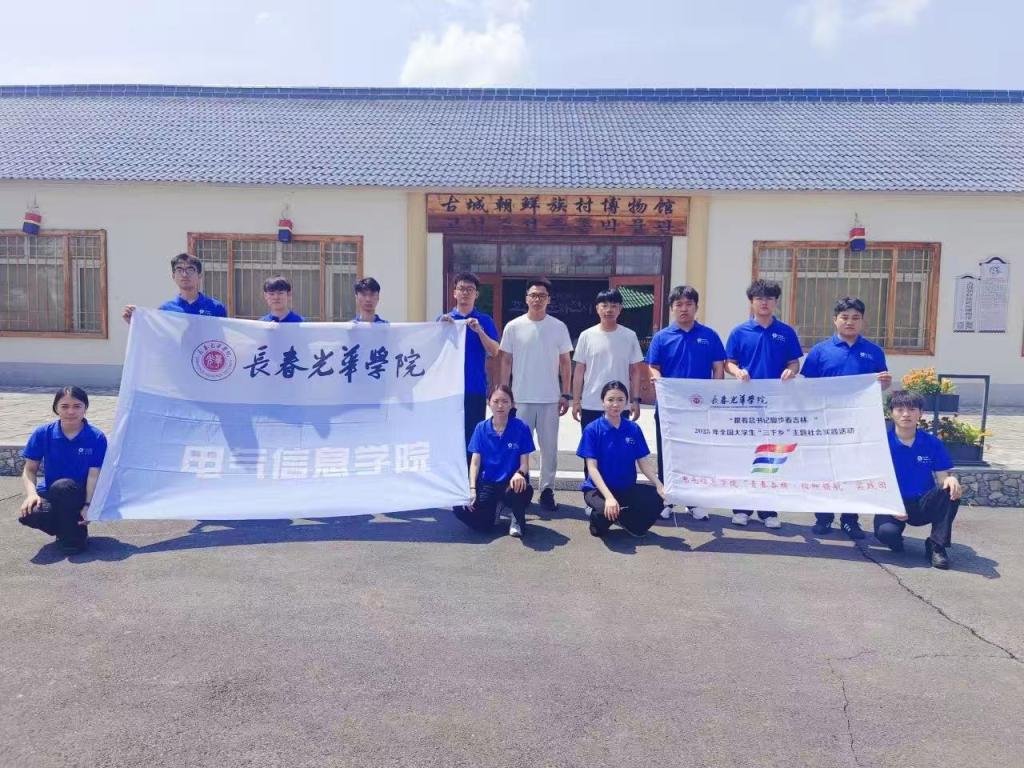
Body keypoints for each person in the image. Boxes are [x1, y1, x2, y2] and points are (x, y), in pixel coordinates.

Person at [802, 296, 893, 539]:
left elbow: (878, 386)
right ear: (835, 320)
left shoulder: (873, 351)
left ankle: (850, 520)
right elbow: (808, 387)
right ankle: (823, 518)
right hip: (826, 422)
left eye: (855, 318)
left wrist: (884, 383)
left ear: (863, 321)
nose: (850, 322)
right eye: (844, 317)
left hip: (858, 424)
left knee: (853, 471)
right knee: (826, 470)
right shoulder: (820, 351)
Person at [725, 278, 803, 529]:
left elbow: (794, 362)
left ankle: (768, 509)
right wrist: (737, 372)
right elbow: (728, 362)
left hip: (776, 404)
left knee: (771, 455)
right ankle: (742, 508)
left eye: (769, 298)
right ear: (751, 302)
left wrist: (791, 371)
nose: (764, 303)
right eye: (759, 298)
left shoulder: (786, 332)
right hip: (747, 405)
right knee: (745, 454)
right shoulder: (739, 332)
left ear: (776, 302)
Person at [646, 285, 726, 520]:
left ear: (696, 307)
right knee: (667, 453)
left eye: (689, 304)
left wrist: (715, 395)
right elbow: (653, 366)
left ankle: (694, 500)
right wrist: (659, 382)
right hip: (669, 409)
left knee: (696, 454)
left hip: (699, 409)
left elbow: (718, 368)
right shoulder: (662, 337)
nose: (684, 309)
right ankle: (667, 498)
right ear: (671, 308)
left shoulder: (709, 336)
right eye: (679, 304)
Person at [499, 277, 572, 513]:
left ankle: (547, 490)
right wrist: (504, 394)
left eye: (542, 296)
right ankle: (521, 488)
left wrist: (566, 393)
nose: (537, 299)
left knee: (549, 448)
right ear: (526, 298)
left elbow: (565, 362)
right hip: (520, 398)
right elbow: (506, 361)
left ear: (548, 299)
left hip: (550, 398)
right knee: (519, 447)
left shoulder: (558, 327)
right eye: (533, 295)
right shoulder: (514, 326)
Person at [875, 390, 962, 569]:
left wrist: (951, 480)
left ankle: (936, 546)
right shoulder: (881, 444)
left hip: (923, 502)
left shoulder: (932, 443)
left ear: (920, 413)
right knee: (886, 533)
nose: (906, 414)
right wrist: (890, 506)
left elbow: (942, 477)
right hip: (893, 502)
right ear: (891, 413)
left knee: (949, 490)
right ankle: (895, 539)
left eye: (912, 409)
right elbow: (874, 481)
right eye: (900, 409)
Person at [18, 386, 107, 554]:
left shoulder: (96, 437)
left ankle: (74, 531)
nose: (70, 411)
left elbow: (94, 475)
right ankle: (67, 528)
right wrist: (31, 494)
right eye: (64, 406)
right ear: (56, 408)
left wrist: (88, 505)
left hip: (79, 495)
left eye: (77, 406)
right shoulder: (43, 433)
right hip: (52, 492)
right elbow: (29, 469)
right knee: (30, 513)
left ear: (85, 408)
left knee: (64, 487)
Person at [577, 380, 665, 538]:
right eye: (610, 400)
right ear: (603, 402)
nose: (615, 404)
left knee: (658, 498)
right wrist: (609, 497)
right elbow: (592, 468)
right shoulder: (592, 430)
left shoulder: (633, 429)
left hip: (625, 488)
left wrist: (659, 485)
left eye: (620, 400)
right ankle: (598, 514)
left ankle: (626, 521)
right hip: (598, 490)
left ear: (626, 402)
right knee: (600, 527)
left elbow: (643, 463)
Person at [571, 288, 644, 458]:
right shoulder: (586, 336)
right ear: (597, 308)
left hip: (620, 404)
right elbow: (579, 371)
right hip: (591, 403)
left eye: (614, 306)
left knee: (618, 451)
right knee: (591, 452)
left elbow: (635, 371)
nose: (609, 310)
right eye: (604, 305)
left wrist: (635, 400)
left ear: (620, 309)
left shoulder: (629, 336)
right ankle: (591, 477)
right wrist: (575, 401)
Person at [454, 385, 535, 539]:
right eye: (496, 401)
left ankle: (517, 518)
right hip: (489, 483)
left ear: (512, 404)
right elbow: (475, 463)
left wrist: (519, 473)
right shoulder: (481, 428)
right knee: (463, 510)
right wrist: (472, 489)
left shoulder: (521, 427)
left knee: (521, 488)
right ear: (489, 403)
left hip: (511, 484)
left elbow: (524, 464)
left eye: (505, 401)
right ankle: (494, 510)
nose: (500, 406)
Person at [438, 273, 500, 460]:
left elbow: (495, 351)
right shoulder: (444, 320)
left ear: (476, 295)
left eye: (470, 290)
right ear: (454, 293)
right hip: (448, 390)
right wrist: (441, 330)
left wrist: (479, 331)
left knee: (473, 437)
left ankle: (472, 475)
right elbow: (433, 353)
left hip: (474, 387)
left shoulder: (484, 321)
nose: (465, 293)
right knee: (448, 435)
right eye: (461, 289)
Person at [122, 253, 227, 322]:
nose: (184, 274)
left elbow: (223, 341)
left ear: (199, 275)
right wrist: (134, 321)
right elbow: (155, 338)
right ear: (173, 276)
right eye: (179, 270)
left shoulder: (216, 308)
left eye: (190, 270)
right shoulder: (166, 310)